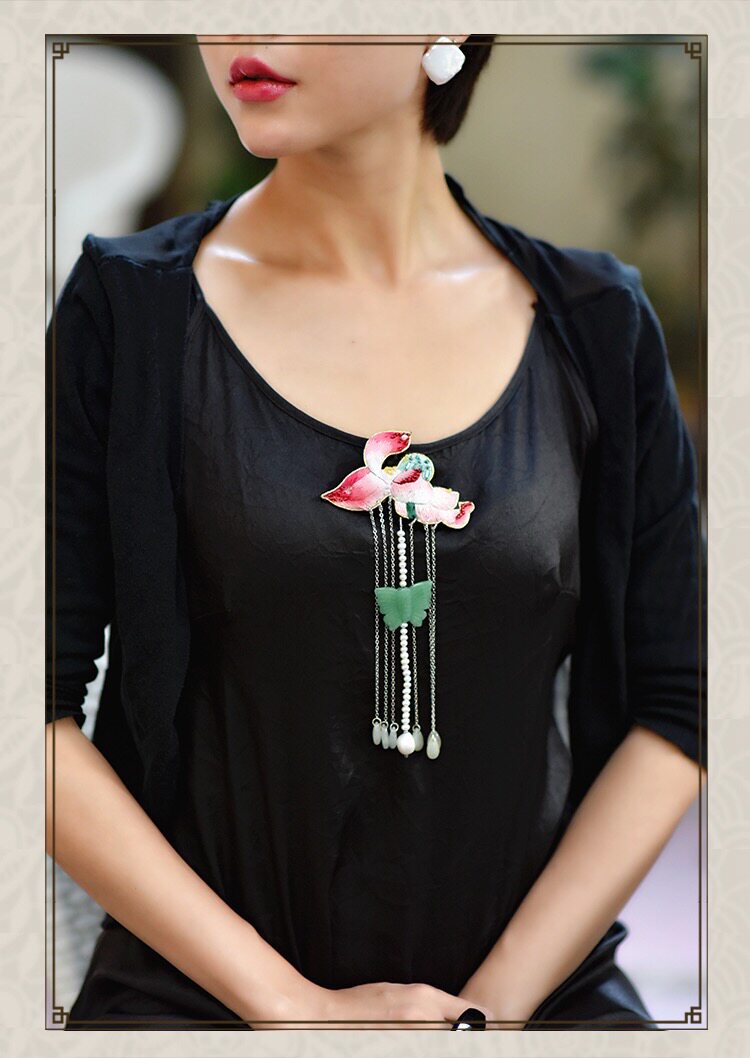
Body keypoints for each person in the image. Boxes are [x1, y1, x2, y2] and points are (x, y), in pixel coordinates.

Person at [46, 34, 706, 1031]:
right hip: (205, 1000)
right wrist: (296, 1010)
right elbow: (29, 705)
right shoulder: (126, 310)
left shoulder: (598, 322)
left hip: (535, 997)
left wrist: (485, 1015)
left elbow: (681, 699)